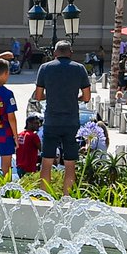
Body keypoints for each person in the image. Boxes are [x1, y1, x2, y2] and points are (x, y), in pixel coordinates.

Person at [32, 40, 92, 195]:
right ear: (70, 53)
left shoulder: (45, 68)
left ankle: (44, 197)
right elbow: (87, 97)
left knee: (46, 161)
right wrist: (74, 98)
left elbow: (38, 96)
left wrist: (51, 95)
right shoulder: (79, 69)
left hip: (51, 121)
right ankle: (67, 199)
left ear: (55, 53)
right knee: (70, 163)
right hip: (71, 121)